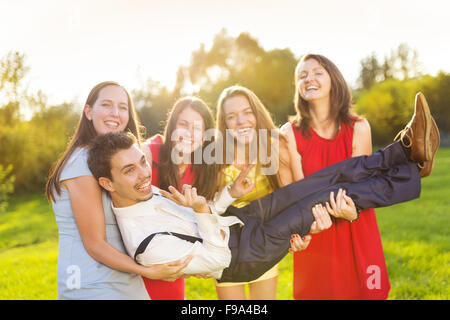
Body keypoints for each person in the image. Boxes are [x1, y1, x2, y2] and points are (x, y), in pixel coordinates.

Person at [86, 97, 438, 283]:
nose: (144, 174)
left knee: (322, 180)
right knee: (324, 199)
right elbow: (217, 256)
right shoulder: (147, 247)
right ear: (107, 183)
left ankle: (405, 149)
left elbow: (208, 214)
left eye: (142, 162)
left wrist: (227, 196)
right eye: (129, 170)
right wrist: (204, 212)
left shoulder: (148, 193)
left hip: (240, 219)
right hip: (244, 255)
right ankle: (413, 173)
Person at [280, 54, 439, 299]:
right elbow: (299, 193)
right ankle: (409, 155)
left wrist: (352, 214)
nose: (309, 78)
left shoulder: (358, 127)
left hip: (354, 226)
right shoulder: (289, 132)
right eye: (302, 75)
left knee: (366, 293)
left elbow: (363, 187)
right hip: (317, 229)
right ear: (297, 88)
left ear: (334, 80)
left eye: (317, 73)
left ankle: (409, 152)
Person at [45, 81, 191, 299]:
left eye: (123, 107)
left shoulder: (115, 159)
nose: (115, 113)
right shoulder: (81, 164)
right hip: (91, 283)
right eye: (106, 104)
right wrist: (148, 271)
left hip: (123, 280)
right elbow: (95, 244)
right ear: (88, 111)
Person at [212, 85, 296, 299]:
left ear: (257, 114)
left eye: (247, 112)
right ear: (224, 123)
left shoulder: (273, 146)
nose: (241, 121)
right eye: (232, 116)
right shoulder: (215, 155)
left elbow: (289, 198)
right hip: (226, 245)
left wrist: (296, 234)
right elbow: (209, 209)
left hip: (263, 240)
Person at [141, 97, 219, 299]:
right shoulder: (148, 153)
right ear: (172, 127)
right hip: (138, 259)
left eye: (196, 128)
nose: (188, 133)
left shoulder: (203, 169)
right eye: (183, 124)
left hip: (174, 264)